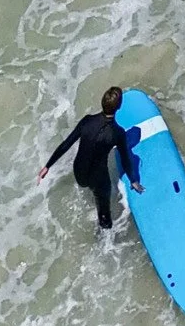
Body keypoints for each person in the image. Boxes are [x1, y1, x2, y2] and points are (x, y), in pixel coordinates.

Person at [38, 86, 142, 230]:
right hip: (98, 178)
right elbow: (125, 159)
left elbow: (66, 144)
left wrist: (47, 166)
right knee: (104, 211)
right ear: (119, 107)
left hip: (79, 173)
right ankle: (104, 239)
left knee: (91, 180)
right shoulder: (118, 133)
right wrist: (134, 180)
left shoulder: (87, 121)